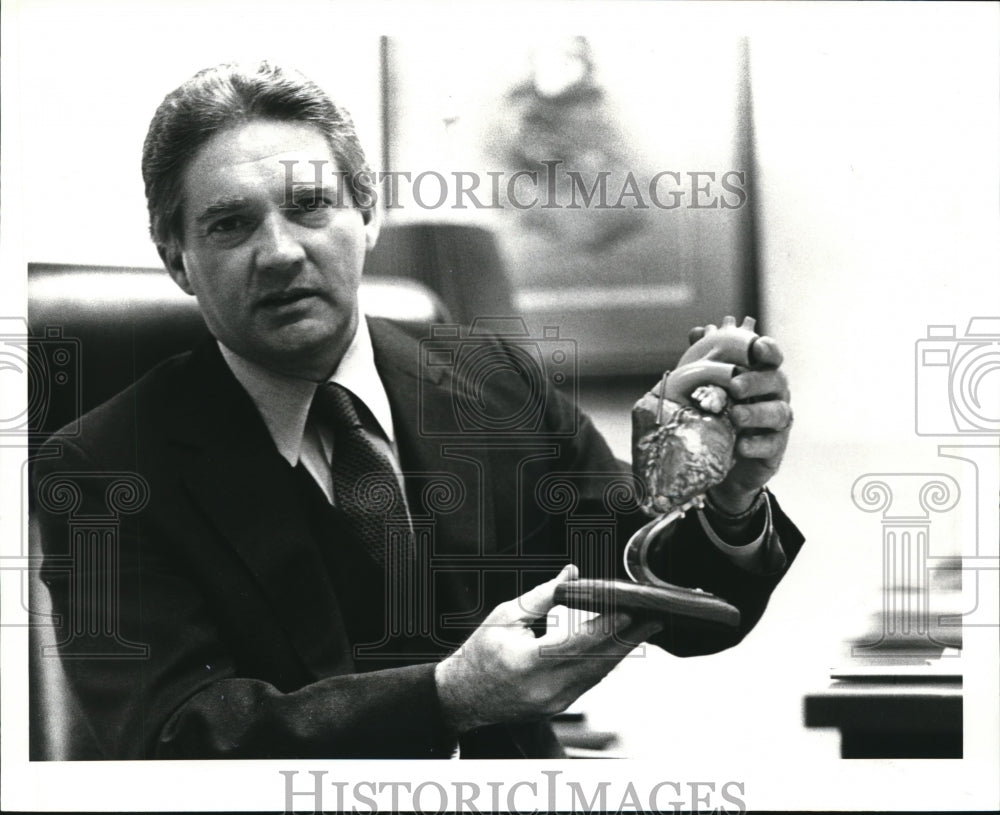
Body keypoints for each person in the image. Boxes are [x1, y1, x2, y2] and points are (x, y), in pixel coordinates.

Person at [33, 61, 803, 760]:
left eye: (309, 205)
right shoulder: (101, 468)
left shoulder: (493, 380)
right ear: (176, 258)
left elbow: (674, 601)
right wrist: (448, 698)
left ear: (366, 216)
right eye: (230, 224)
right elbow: (174, 739)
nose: (279, 251)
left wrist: (725, 496)